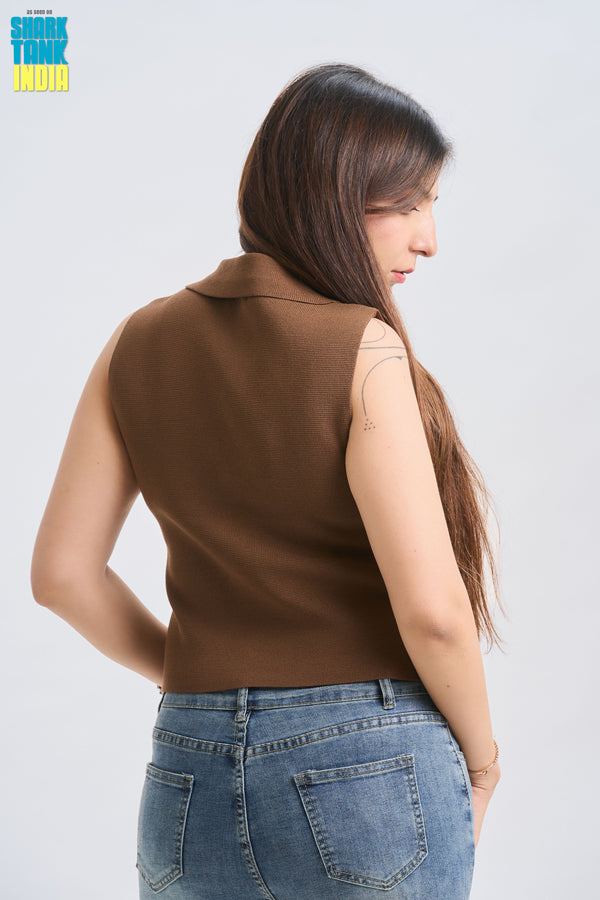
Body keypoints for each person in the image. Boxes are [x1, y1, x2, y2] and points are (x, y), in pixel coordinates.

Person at [31, 63, 502, 899]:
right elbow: (433, 614)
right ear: (332, 194)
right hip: (368, 763)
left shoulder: (135, 343)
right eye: (407, 203)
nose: (428, 238)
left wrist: (196, 680)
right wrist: (484, 757)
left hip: (188, 771)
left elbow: (62, 575)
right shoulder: (363, 349)